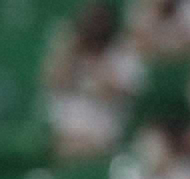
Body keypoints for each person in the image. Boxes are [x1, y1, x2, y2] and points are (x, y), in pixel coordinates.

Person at [43, 0, 145, 160]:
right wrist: (68, 52)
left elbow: (116, 95)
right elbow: (52, 81)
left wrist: (97, 67)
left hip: (103, 135)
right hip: (65, 134)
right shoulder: (70, 52)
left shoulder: (125, 54)